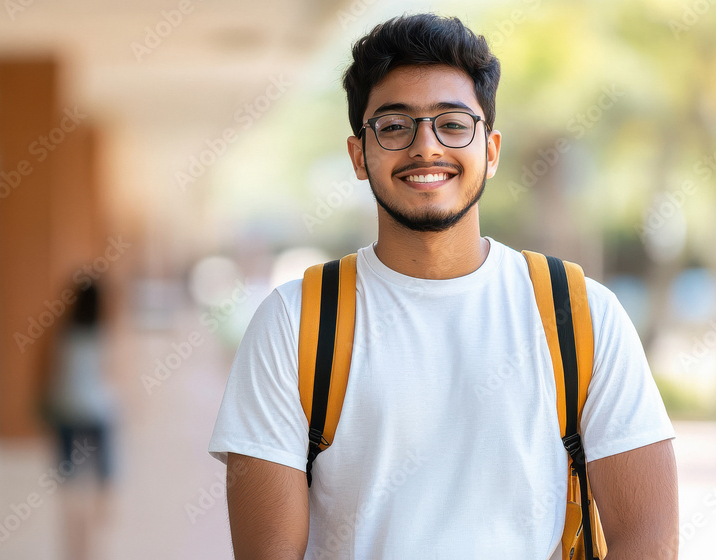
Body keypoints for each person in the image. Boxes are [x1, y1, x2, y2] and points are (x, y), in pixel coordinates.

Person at [207, 12, 679, 560]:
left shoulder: (581, 314)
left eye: (453, 123)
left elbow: (649, 539)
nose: (425, 147)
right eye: (393, 125)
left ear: (492, 149)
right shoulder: (295, 322)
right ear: (360, 155)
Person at [37, 282, 117, 560]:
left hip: (66, 411)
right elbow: (115, 376)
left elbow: (46, 372)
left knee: (69, 482)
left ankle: (74, 546)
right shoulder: (106, 334)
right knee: (104, 479)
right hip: (99, 414)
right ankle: (96, 543)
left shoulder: (59, 334)